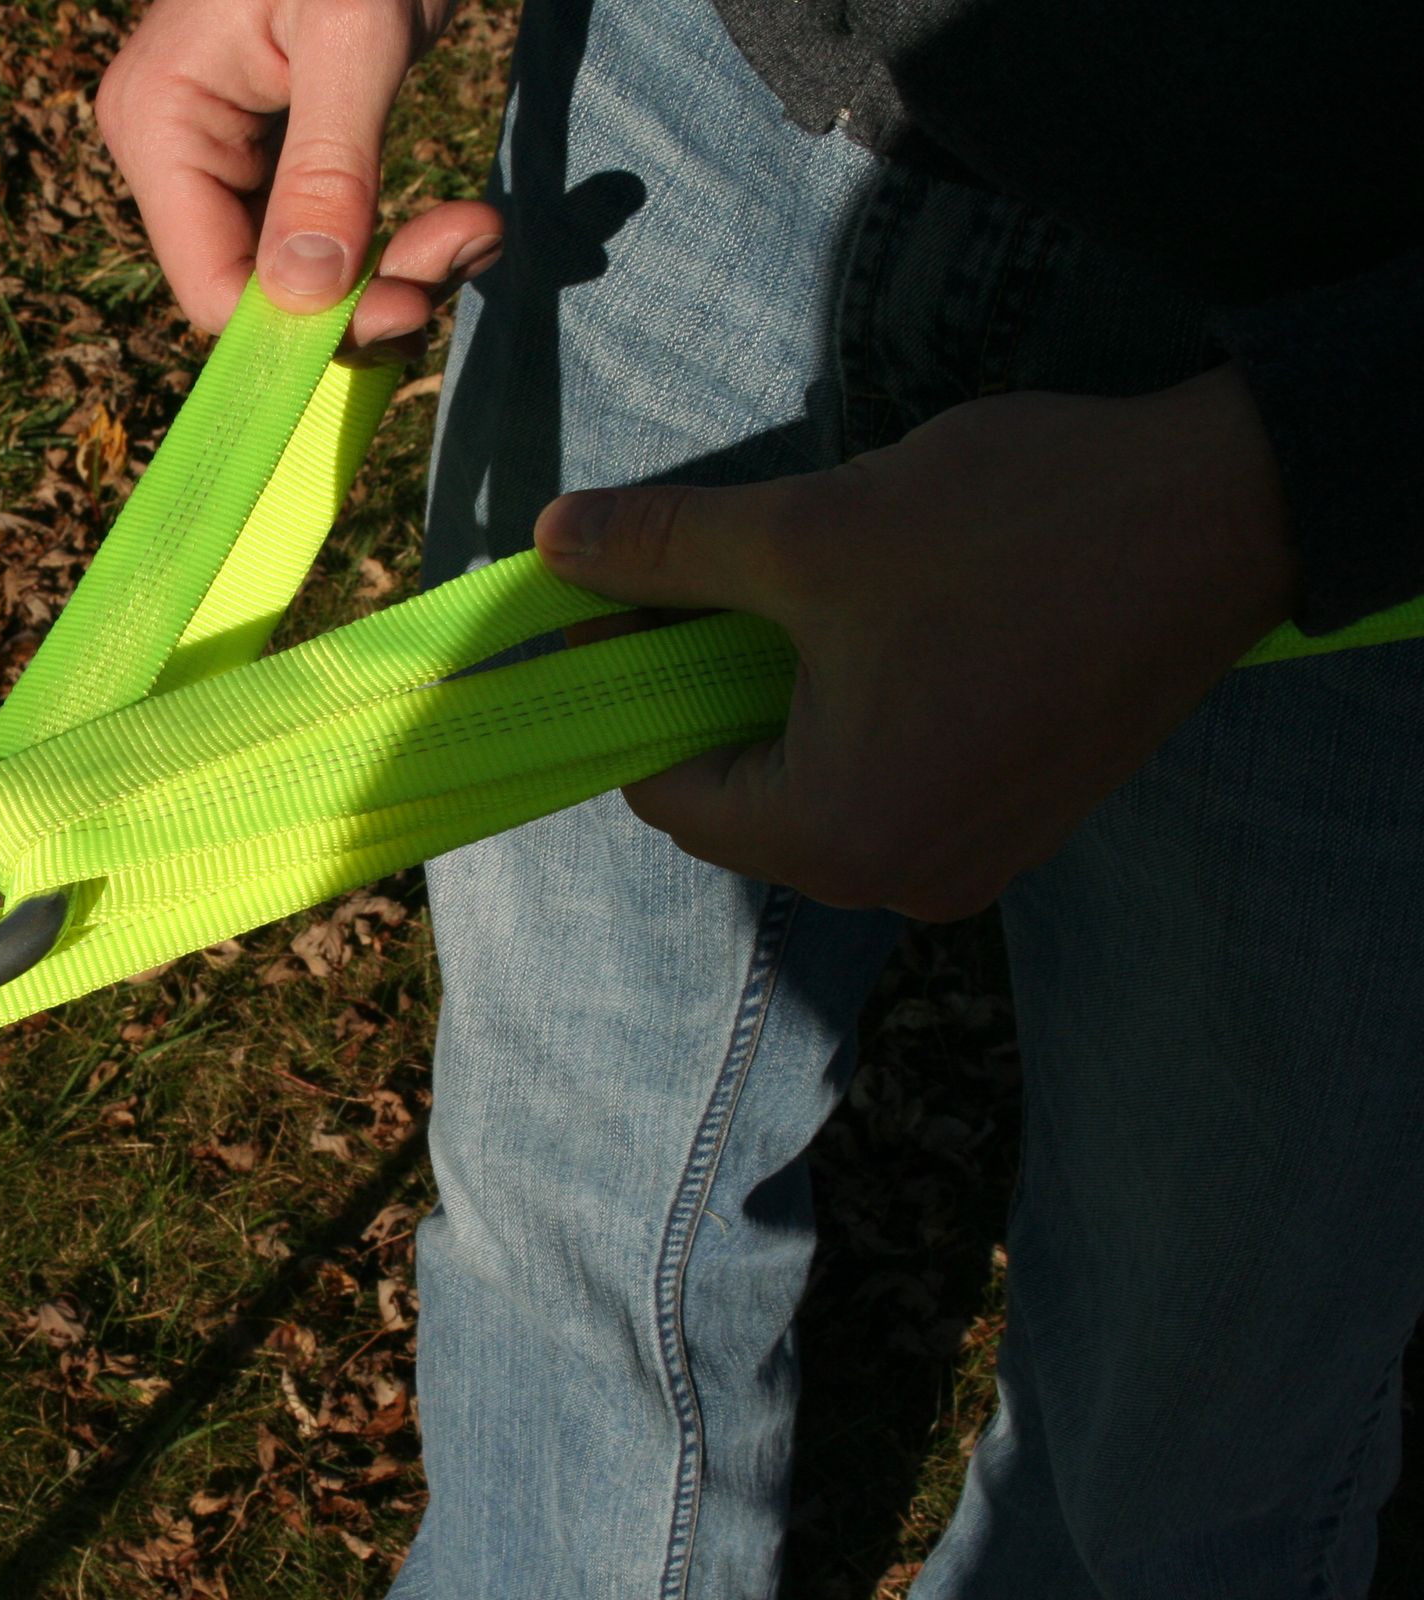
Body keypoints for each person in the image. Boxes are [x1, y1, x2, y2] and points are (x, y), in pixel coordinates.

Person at [96, 0, 1424, 1595]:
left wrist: (1312, 469)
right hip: (691, 99)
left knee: (1204, 1397)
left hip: (1360, 327)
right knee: (566, 1175)